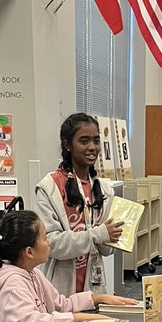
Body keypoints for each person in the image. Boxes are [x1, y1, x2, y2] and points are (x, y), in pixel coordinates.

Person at [0, 209, 136, 322]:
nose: (49, 243)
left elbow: (61, 304)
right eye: (45, 238)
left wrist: (98, 298)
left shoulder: (33, 274)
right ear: (29, 252)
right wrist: (77, 318)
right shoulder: (12, 285)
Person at [35, 113, 124, 296]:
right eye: (84, 141)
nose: (92, 147)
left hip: (95, 288)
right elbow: (51, 244)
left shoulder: (105, 190)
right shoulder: (49, 188)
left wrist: (117, 235)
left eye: (96, 141)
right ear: (67, 145)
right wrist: (97, 234)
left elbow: (106, 250)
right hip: (60, 290)